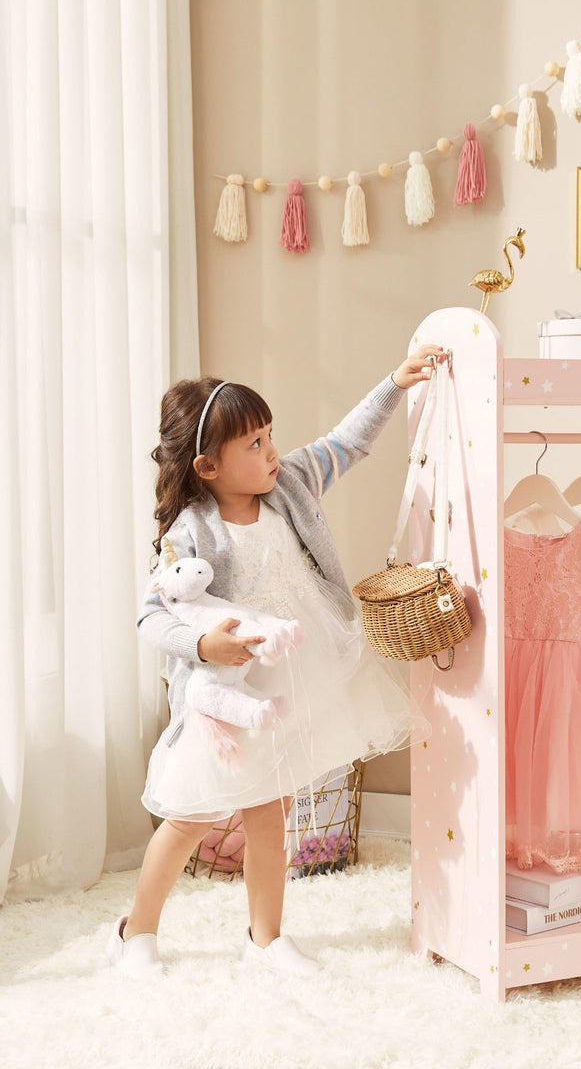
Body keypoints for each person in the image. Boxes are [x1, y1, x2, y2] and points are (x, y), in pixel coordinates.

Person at [108, 345, 446, 978]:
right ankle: (135, 932)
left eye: (269, 436)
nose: (270, 452)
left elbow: (345, 443)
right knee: (190, 818)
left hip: (290, 680)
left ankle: (265, 938)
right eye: (254, 445)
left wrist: (395, 382)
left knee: (271, 813)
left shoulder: (288, 481)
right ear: (208, 466)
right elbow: (152, 616)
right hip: (227, 698)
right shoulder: (191, 530)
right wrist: (206, 645)